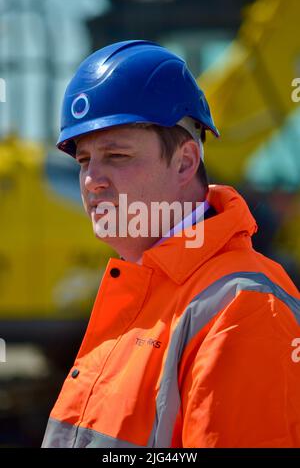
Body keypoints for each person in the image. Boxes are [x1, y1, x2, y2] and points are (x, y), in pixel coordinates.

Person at [42, 40, 300, 448]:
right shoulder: (142, 295)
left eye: (117, 155)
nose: (92, 180)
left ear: (185, 161)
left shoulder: (243, 310)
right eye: (84, 160)